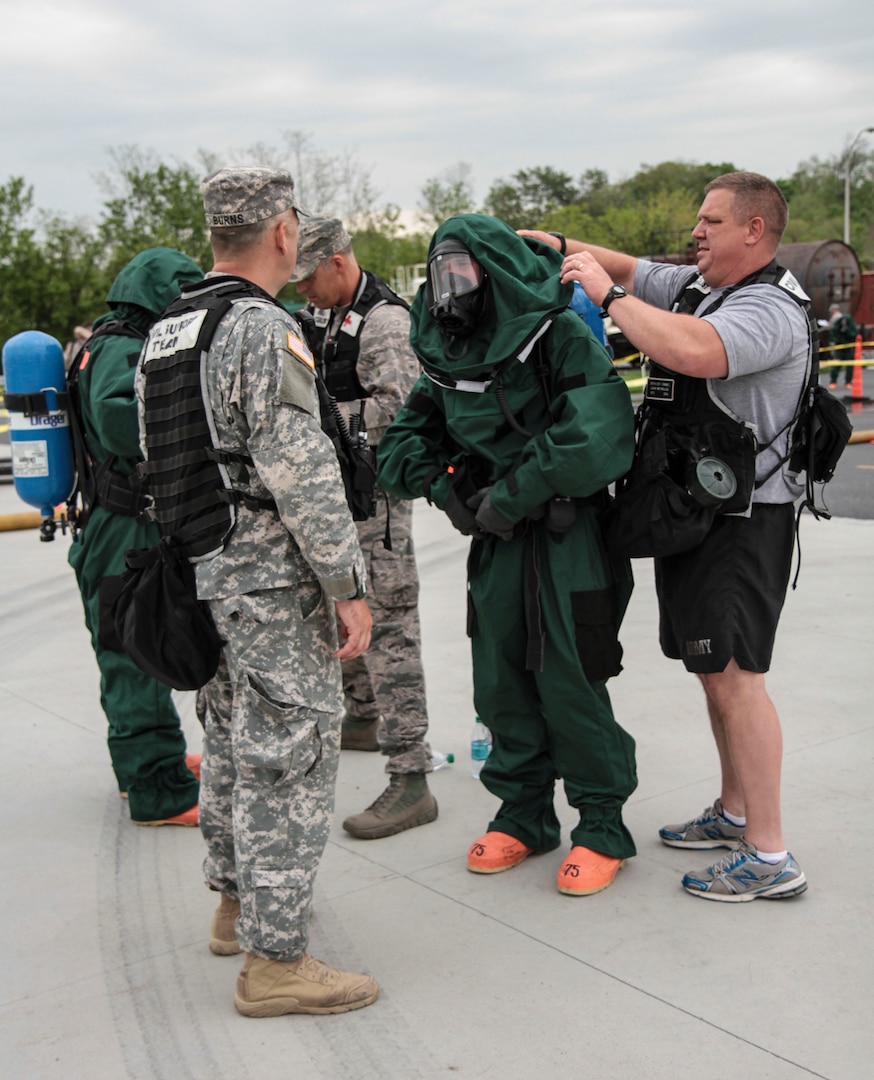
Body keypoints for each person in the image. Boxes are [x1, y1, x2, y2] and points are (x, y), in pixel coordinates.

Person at [525, 170, 810, 902]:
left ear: (755, 229)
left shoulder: (767, 309)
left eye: (712, 222)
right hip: (696, 515)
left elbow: (692, 351)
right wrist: (556, 245)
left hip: (745, 523)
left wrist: (611, 300)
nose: (696, 232)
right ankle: (735, 812)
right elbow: (621, 263)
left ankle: (771, 856)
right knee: (713, 672)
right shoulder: (698, 284)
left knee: (739, 678)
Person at [137, 167, 378, 1015]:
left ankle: (236, 906)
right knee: (292, 757)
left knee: (237, 746)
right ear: (284, 232)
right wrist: (347, 583)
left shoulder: (168, 331)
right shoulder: (261, 328)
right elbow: (301, 469)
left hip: (203, 571)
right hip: (271, 582)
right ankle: (276, 962)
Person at [376, 214, 638, 897]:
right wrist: (449, 490)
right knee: (501, 682)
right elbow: (402, 446)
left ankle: (601, 824)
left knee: (570, 680)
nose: (449, 289)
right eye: (441, 273)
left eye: (461, 271)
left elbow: (599, 432)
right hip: (498, 542)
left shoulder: (556, 336)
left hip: (565, 537)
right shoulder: (446, 356)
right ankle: (523, 814)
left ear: (491, 271)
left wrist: (515, 493)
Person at [292, 216, 436, 839]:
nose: (301, 292)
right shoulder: (326, 317)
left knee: (390, 627)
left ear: (337, 261)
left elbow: (398, 413)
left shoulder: (386, 321)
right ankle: (363, 715)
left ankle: (412, 777)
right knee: (339, 613)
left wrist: (313, 415)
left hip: (376, 505)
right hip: (339, 497)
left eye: (307, 279)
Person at [67, 248, 202, 826]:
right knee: (134, 654)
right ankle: (157, 791)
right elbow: (124, 425)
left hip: (115, 524)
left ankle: (149, 762)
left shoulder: (109, 342)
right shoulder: (123, 348)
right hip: (122, 526)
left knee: (138, 644)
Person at [826, 302, 858, 389]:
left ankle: (847, 382)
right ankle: (834, 381)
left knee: (849, 365)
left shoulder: (844, 320)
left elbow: (853, 333)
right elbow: (835, 332)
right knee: (837, 364)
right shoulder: (840, 321)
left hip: (848, 346)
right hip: (841, 346)